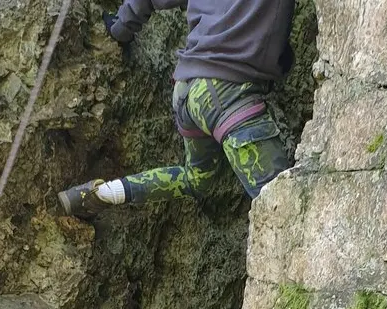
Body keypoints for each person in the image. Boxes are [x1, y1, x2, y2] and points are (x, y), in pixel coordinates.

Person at [56, 0, 296, 218]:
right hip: (229, 92)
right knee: (283, 204)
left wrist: (121, 27)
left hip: (188, 90)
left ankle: (100, 194)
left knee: (196, 179)